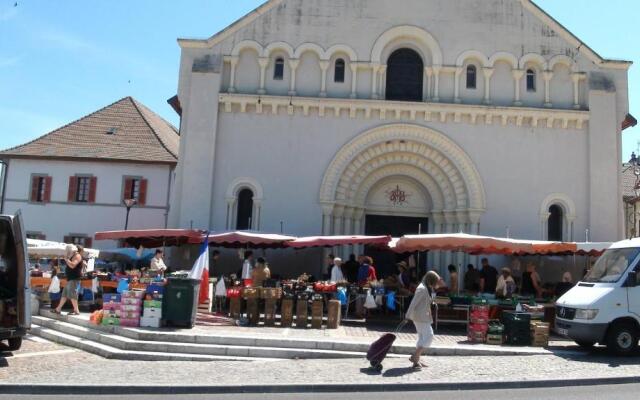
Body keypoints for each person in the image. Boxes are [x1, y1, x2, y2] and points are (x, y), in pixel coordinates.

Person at [405, 271, 440, 370]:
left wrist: (432, 301)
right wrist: (407, 315)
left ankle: (416, 360)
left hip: (423, 316)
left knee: (421, 337)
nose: (436, 284)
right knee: (429, 336)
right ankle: (415, 356)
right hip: (421, 317)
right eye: (435, 281)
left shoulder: (425, 287)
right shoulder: (422, 288)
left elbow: (425, 301)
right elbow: (413, 302)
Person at [54, 245, 84, 315]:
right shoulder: (73, 256)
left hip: (74, 278)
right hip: (70, 278)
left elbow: (73, 265)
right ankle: (58, 309)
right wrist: (67, 259)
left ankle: (76, 311)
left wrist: (66, 260)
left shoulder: (77, 256)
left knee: (72, 294)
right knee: (64, 294)